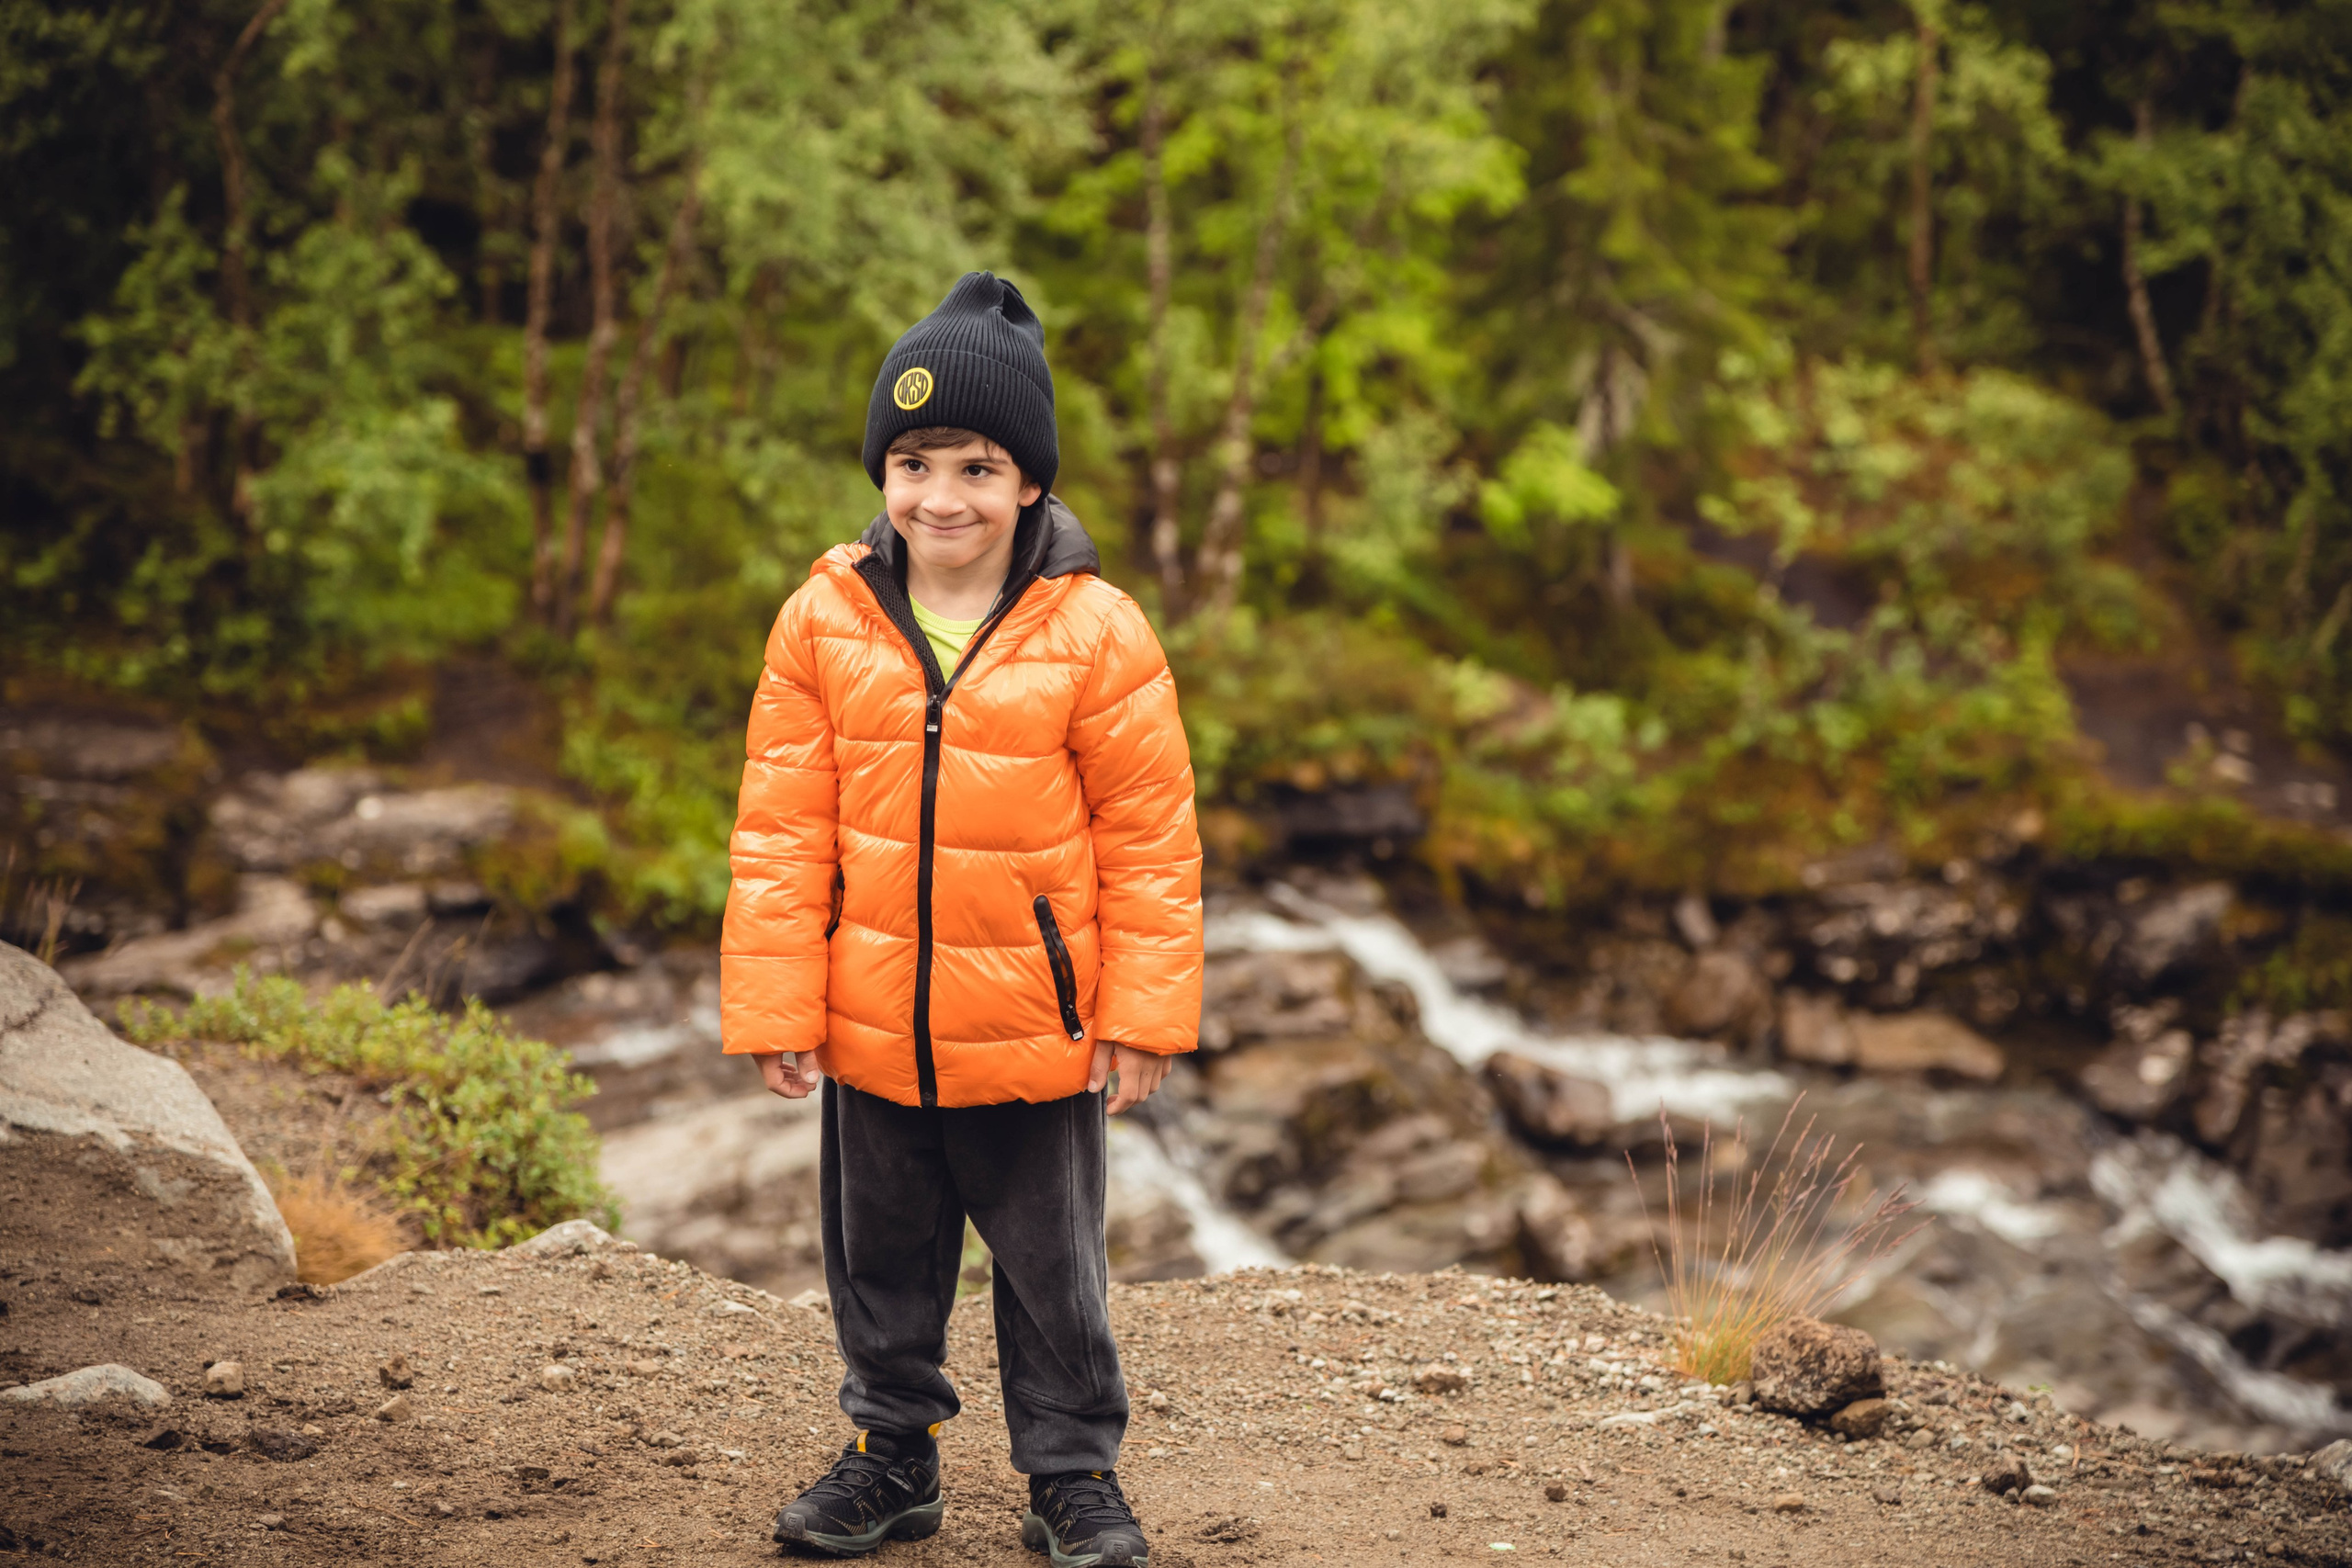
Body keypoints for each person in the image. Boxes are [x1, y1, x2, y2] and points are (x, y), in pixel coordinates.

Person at [721, 270, 1204, 1565]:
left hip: (1033, 1034)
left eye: (979, 465)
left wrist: (1141, 1014)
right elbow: (781, 830)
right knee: (882, 1258)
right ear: (883, 471)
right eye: (915, 460)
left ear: (1031, 482)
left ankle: (1072, 1476)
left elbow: (1150, 838)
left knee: (1053, 1276)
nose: (943, 495)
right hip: (872, 1021)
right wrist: (779, 1002)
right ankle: (891, 1458)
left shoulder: (1096, 632)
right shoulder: (825, 620)